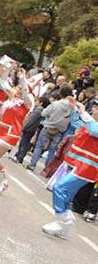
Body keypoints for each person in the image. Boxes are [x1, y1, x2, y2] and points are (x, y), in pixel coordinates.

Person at [41, 100, 98, 239]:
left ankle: (64, 220)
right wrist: (73, 110)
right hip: (78, 165)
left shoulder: (93, 125)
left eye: (97, 108)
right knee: (65, 194)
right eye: (95, 107)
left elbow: (93, 130)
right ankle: (63, 226)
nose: (95, 110)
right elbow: (77, 124)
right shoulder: (90, 122)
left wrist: (83, 112)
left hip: (87, 168)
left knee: (60, 188)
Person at [0, 82, 34, 195]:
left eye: (22, 89)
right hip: (1, 129)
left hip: (11, 133)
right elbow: (3, 83)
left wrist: (24, 85)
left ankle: (3, 182)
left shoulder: (26, 103)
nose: (19, 90)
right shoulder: (12, 99)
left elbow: (27, 100)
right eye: (18, 87)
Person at [27, 84, 74, 171]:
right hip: (59, 131)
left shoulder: (55, 104)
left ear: (60, 93)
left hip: (48, 126)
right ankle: (47, 169)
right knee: (52, 150)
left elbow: (44, 113)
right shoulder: (71, 107)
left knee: (39, 146)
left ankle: (32, 165)